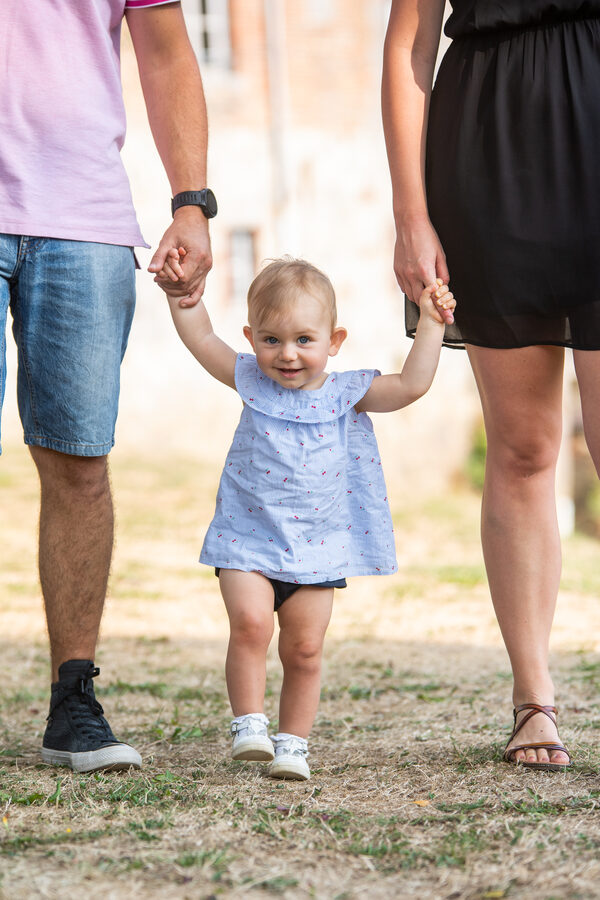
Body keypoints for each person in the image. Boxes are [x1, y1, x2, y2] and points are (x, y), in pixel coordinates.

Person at [381, 1, 600, 770]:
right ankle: (533, 698)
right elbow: (410, 41)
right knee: (524, 447)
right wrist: (412, 215)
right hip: (489, 143)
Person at [0, 1, 215, 773]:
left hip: (84, 217)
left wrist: (192, 201)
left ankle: (72, 703)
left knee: (80, 464)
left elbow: (164, 53)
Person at [162, 255, 455, 779]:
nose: (288, 354)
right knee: (250, 625)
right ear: (252, 338)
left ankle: (292, 744)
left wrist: (431, 323)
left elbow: (411, 385)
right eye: (272, 339)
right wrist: (180, 293)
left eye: (304, 339)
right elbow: (200, 336)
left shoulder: (348, 395)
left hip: (318, 546)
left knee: (305, 649)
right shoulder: (249, 378)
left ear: (334, 341)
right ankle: (249, 724)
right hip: (248, 537)